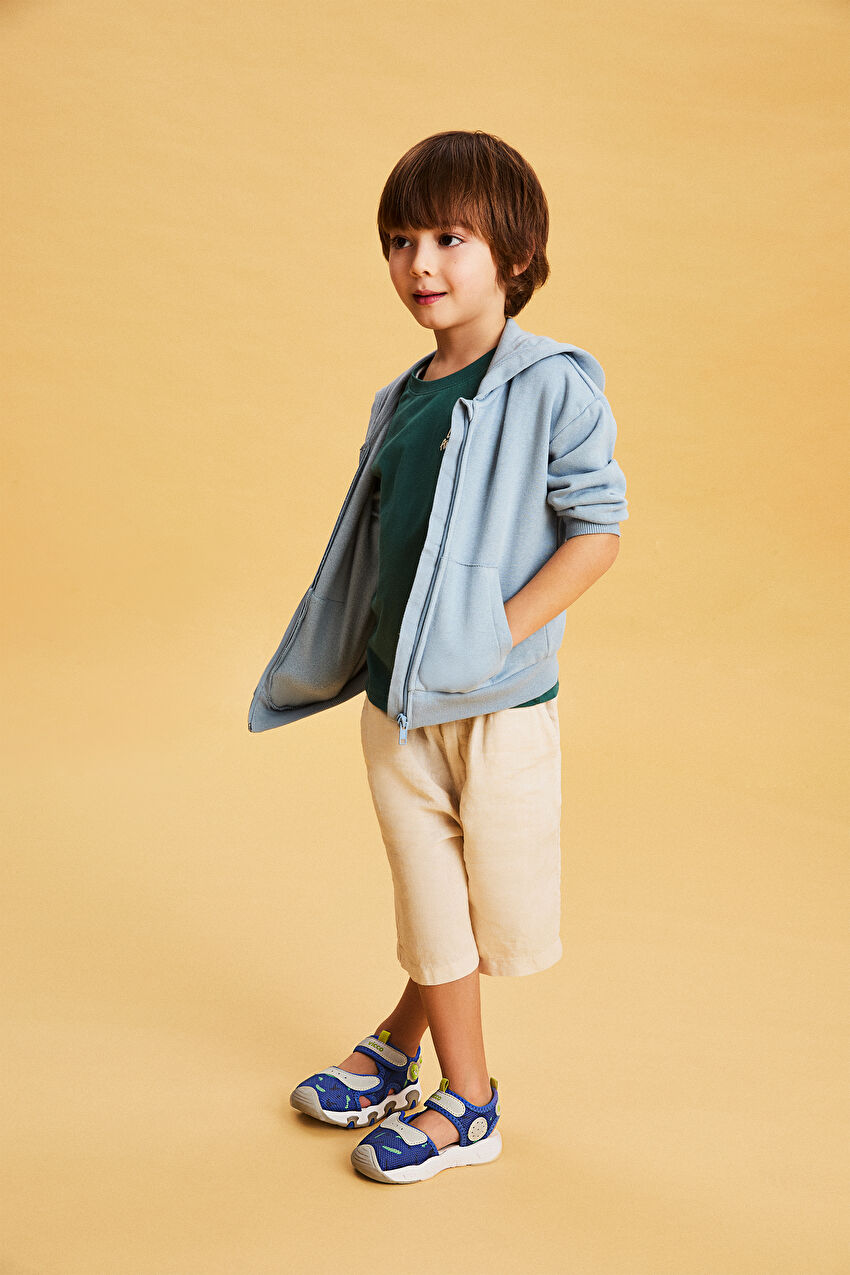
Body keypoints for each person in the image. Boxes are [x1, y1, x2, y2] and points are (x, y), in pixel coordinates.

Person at [249, 129, 629, 1184]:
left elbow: (597, 532)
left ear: (516, 254)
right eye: (400, 240)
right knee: (431, 898)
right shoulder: (398, 398)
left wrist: (492, 634)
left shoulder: (554, 385)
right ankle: (470, 1102)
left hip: (500, 706)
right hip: (398, 704)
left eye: (450, 238)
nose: (420, 263)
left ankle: (395, 1041)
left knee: (486, 905)